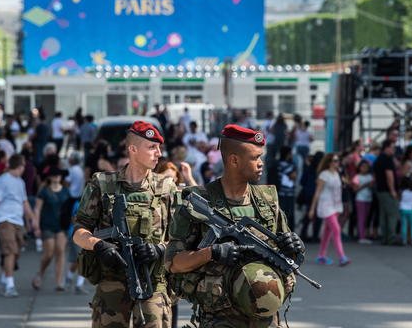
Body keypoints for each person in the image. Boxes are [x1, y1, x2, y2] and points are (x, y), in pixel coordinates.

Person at [165, 124, 304, 327]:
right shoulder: (199, 202)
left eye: (261, 157)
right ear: (234, 160)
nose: (261, 163)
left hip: (265, 316)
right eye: (255, 157)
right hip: (220, 316)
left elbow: (286, 253)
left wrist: (293, 244)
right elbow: (173, 263)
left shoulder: (266, 201)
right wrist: (211, 253)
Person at [73, 121, 177, 327]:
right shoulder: (102, 184)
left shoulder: (166, 188)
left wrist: (159, 249)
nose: (158, 153)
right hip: (111, 282)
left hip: (153, 283)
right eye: (152, 147)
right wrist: (98, 245)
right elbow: (79, 230)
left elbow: (182, 238)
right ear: (132, 149)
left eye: (159, 148)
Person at [0, 154, 38, 297]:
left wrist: (32, 219)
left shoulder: (20, 182)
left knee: (16, 252)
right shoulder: (2, 180)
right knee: (10, 251)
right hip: (4, 219)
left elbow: (24, 202)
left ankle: (3, 277)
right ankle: (10, 285)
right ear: (19, 166)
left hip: (18, 220)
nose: (25, 168)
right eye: (24, 165)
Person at [31, 166, 71, 291]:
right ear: (50, 177)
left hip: (62, 226)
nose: (57, 177)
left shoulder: (66, 191)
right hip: (47, 224)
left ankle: (59, 282)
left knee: (60, 250)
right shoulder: (44, 191)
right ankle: (40, 273)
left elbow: (69, 209)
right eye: (54, 175)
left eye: (59, 175)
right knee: (48, 253)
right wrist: (36, 224)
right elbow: (37, 209)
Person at [308, 153, 351, 266]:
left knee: (327, 232)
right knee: (336, 230)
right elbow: (317, 192)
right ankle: (342, 257)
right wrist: (312, 208)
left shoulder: (338, 173)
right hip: (326, 205)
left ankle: (321, 255)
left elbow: (345, 185)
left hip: (335, 205)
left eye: (338, 160)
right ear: (329, 162)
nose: (337, 162)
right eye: (335, 160)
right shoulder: (324, 174)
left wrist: (344, 179)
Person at [373, 140, 400, 245]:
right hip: (387, 190)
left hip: (380, 189)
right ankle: (391, 238)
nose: (394, 150)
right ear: (386, 148)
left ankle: (385, 237)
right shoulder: (387, 160)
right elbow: (389, 176)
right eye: (392, 148)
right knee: (392, 214)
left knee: (383, 214)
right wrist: (392, 190)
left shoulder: (379, 159)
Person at [352, 159, 373, 244]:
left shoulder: (370, 176)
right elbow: (355, 189)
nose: (364, 168)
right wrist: (366, 185)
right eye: (363, 167)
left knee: (366, 218)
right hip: (360, 199)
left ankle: (363, 234)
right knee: (361, 218)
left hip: (369, 199)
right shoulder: (357, 177)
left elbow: (372, 186)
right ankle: (361, 236)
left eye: (366, 167)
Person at [398, 176, 412, 246]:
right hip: (411, 209)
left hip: (402, 209)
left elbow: (399, 199)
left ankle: (404, 239)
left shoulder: (402, 192)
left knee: (404, 225)